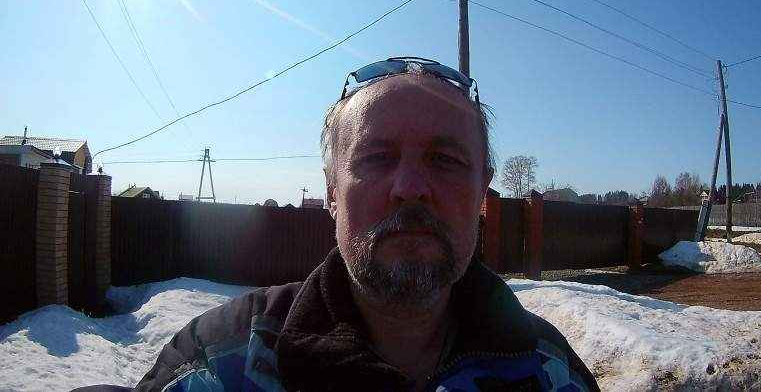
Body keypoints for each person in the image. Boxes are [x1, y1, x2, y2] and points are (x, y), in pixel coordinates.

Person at [133, 57, 599, 391]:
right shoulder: (220, 363)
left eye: (445, 160)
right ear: (332, 192)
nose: (410, 187)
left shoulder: (552, 373)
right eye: (377, 157)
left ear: (482, 193)